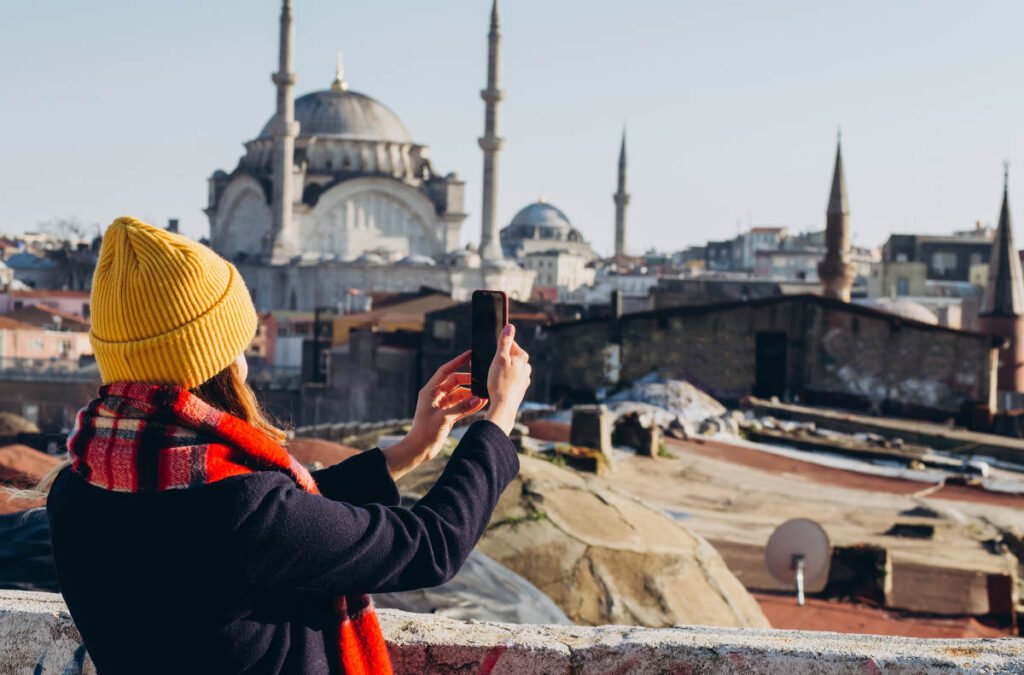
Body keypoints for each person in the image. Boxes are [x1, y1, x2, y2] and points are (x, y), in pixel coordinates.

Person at [45, 217, 531, 675]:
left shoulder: (76, 490)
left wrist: (410, 450)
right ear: (213, 361)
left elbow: (281, 515)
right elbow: (432, 545)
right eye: (239, 345)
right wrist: (498, 419)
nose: (246, 363)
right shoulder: (242, 513)